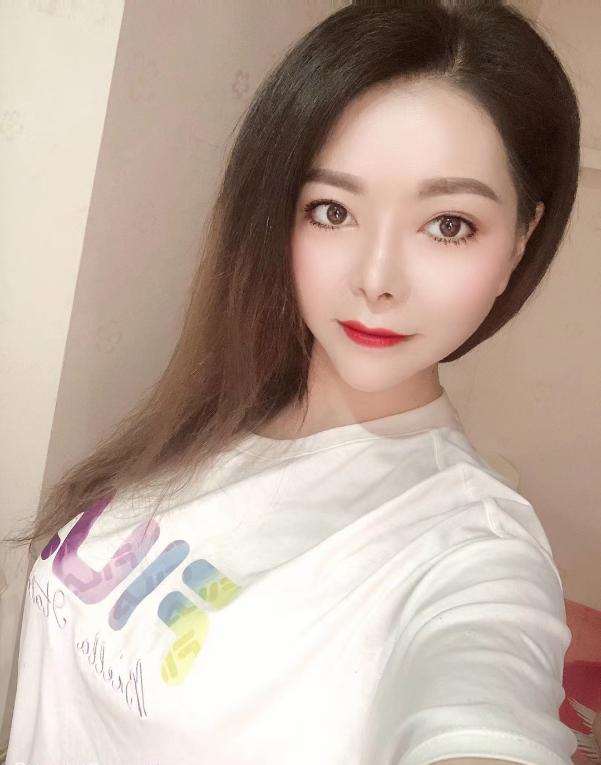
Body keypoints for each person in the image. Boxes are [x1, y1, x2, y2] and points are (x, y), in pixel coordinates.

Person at [4, 0, 581, 763]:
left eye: (447, 224)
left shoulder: (471, 551)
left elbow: (481, 705)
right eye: (332, 210)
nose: (376, 279)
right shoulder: (219, 409)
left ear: (521, 238)